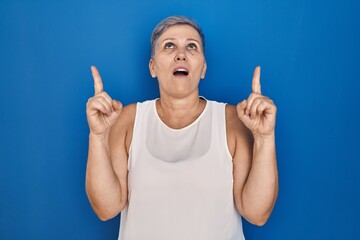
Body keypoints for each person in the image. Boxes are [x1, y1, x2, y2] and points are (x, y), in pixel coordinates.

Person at [85, 16, 278, 240]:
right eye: (169, 45)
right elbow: (105, 209)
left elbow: (257, 214)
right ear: (153, 66)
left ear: (203, 68)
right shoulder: (128, 120)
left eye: (191, 46)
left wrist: (265, 137)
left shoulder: (232, 120)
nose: (181, 54)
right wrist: (98, 136)